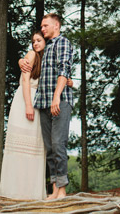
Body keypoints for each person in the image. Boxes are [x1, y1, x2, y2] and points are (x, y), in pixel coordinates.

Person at [21, 13, 73, 200]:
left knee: (59, 144)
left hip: (59, 101)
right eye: (41, 26)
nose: (42, 29)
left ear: (56, 25)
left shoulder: (63, 43)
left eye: (45, 26)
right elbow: (31, 60)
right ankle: (54, 189)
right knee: (50, 147)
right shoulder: (46, 46)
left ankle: (63, 190)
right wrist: (22, 61)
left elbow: (64, 69)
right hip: (43, 103)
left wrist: (56, 97)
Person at [0, 32, 47, 200]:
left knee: (35, 146)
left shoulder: (45, 59)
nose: (35, 43)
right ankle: (15, 190)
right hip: (26, 99)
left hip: (38, 101)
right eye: (33, 41)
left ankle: (30, 192)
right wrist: (28, 104)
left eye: (39, 40)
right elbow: (25, 80)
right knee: (21, 144)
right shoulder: (32, 55)